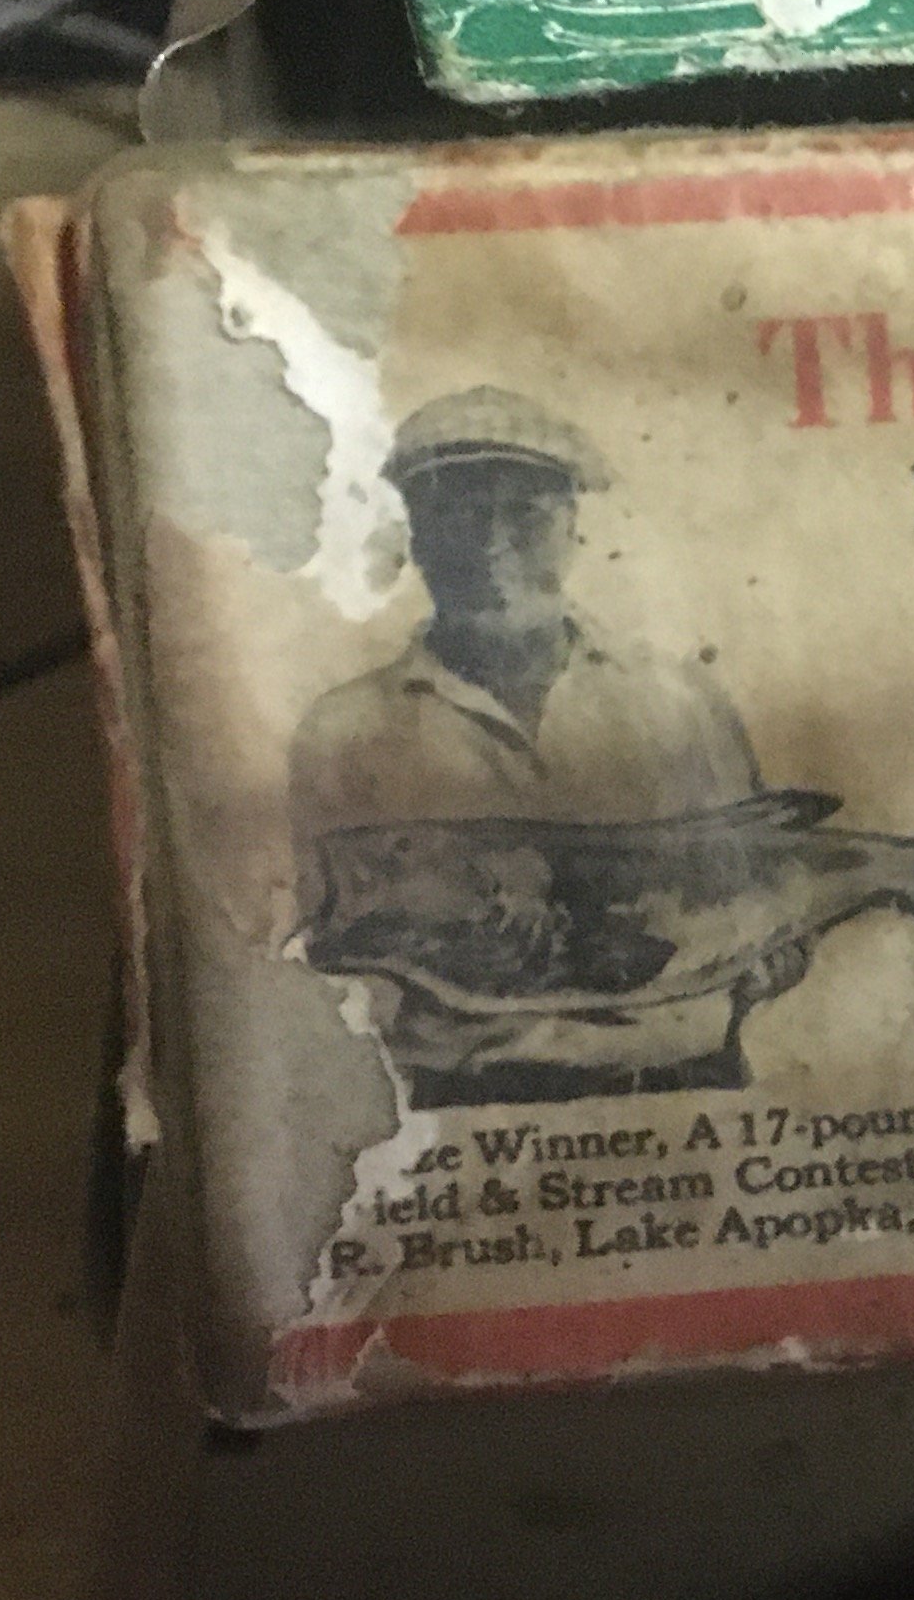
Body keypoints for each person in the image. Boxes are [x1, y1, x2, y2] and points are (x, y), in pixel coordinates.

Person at [288, 388, 779, 1101]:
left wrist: (762, 960)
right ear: (415, 536)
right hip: (461, 1112)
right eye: (458, 513)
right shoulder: (343, 734)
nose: (490, 544)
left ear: (573, 526)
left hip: (689, 1094)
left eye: (525, 511)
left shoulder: (681, 700)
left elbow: (764, 887)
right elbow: (317, 950)